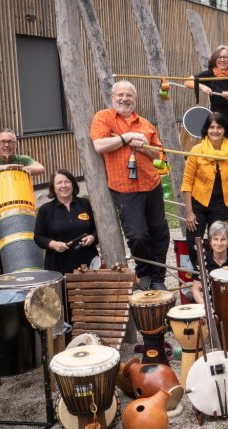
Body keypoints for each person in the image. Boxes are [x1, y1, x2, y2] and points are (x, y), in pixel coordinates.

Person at [90, 80, 170, 291]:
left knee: (159, 233)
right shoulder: (104, 118)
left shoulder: (145, 123)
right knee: (137, 235)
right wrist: (126, 138)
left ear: (135, 99)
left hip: (151, 184)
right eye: (120, 95)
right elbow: (99, 145)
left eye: (129, 96)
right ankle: (144, 272)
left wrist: (144, 147)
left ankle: (158, 277)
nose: (124, 99)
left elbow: (160, 153)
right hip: (125, 188)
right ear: (112, 97)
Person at [181, 112, 228, 266]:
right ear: (206, 129)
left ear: (225, 129)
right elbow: (187, 183)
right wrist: (189, 212)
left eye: (219, 127)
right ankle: (200, 277)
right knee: (194, 245)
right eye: (212, 127)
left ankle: (219, 278)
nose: (215, 131)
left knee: (220, 244)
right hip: (198, 205)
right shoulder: (196, 150)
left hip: (221, 205)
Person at [0, 128, 46, 273]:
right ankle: (1, 280)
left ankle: (33, 273)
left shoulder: (22, 159)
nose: (6, 145)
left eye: (10, 141)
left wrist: (26, 169)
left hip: (23, 214)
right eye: (2, 141)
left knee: (26, 246)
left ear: (15, 144)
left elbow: (40, 168)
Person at [186, 45, 228, 155]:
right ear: (214, 59)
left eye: (225, 57)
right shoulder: (210, 74)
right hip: (218, 122)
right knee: (217, 153)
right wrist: (202, 86)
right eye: (219, 57)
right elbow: (187, 82)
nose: (222, 60)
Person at [33, 170, 98, 274]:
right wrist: (53, 244)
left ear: (72, 184)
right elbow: (38, 237)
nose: (64, 185)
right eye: (59, 183)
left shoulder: (85, 204)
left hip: (88, 264)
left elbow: (98, 230)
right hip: (58, 267)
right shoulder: (45, 210)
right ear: (53, 187)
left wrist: (92, 237)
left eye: (67, 181)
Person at [191, 221, 228, 305]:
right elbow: (196, 289)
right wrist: (206, 306)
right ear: (210, 241)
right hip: (210, 302)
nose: (219, 243)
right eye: (215, 239)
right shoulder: (202, 258)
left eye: (223, 239)